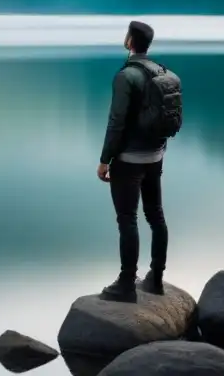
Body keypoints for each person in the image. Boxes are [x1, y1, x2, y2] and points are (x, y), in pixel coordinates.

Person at [96, 20, 169, 302]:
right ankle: (156, 279)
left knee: (127, 219)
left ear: (129, 41)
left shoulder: (126, 76)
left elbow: (117, 122)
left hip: (129, 160)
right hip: (156, 156)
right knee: (156, 216)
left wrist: (105, 160)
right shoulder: (160, 72)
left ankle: (127, 284)